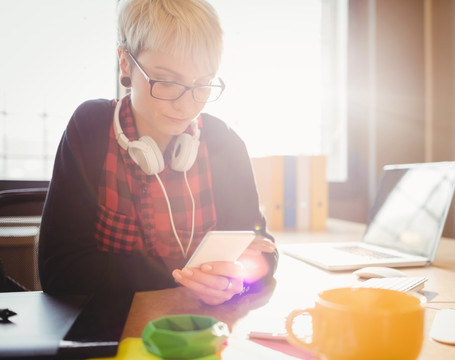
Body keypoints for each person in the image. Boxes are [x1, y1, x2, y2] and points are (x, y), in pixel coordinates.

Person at [38, 0, 278, 305]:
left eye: (202, 84)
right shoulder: (90, 129)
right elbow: (58, 272)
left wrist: (237, 277)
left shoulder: (225, 143)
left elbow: (263, 250)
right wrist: (183, 275)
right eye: (166, 81)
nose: (186, 105)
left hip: (205, 330)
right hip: (113, 327)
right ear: (125, 62)